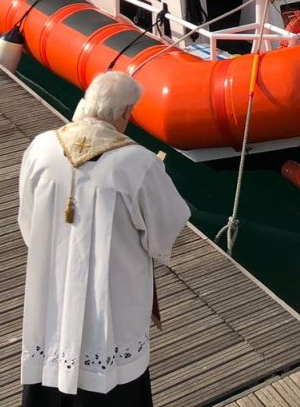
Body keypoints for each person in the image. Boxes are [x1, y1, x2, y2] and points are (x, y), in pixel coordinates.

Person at [19, 72, 190, 407]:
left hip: (52, 286)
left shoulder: (41, 147)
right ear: (126, 113)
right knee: (109, 367)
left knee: (52, 344)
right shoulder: (138, 163)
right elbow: (165, 230)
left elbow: (28, 222)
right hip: (112, 295)